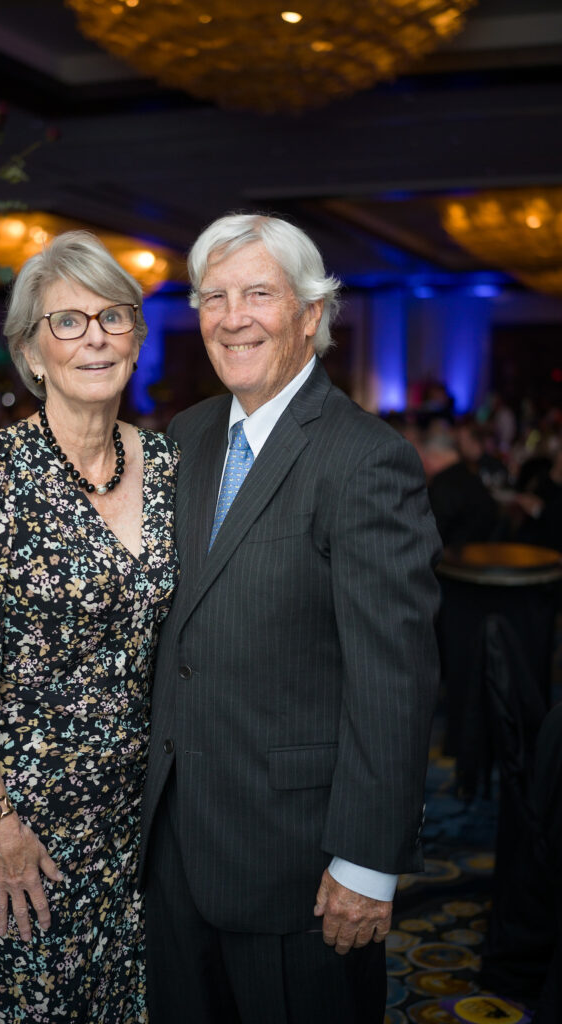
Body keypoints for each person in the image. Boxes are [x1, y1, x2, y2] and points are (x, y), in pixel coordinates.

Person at [139, 213, 441, 1023]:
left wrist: (367, 864)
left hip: (298, 867)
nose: (233, 317)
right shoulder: (189, 434)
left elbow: (395, 679)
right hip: (173, 848)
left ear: (311, 313)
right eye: (214, 296)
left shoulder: (366, 459)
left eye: (259, 294)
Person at [0, 231, 179, 1023]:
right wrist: (0, 826)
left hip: (130, 827)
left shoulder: (169, 471)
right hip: (12, 828)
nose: (95, 336)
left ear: (136, 337)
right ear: (30, 351)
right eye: (68, 321)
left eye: (113, 317)